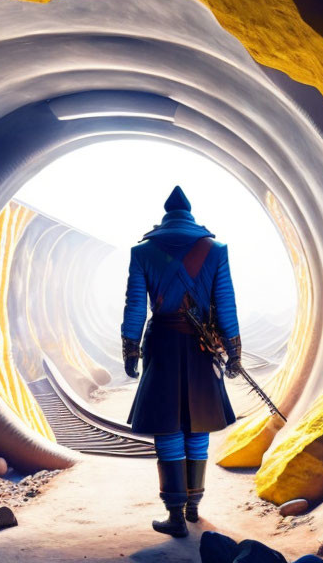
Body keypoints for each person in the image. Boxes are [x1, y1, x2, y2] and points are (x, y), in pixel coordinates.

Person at [121, 185, 242, 538]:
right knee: (198, 423)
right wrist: (233, 351)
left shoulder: (142, 252)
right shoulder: (215, 250)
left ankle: (174, 514)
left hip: (161, 346)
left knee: (167, 426)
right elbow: (226, 304)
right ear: (189, 215)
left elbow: (134, 308)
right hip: (201, 349)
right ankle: (193, 506)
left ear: (166, 217)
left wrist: (130, 349)